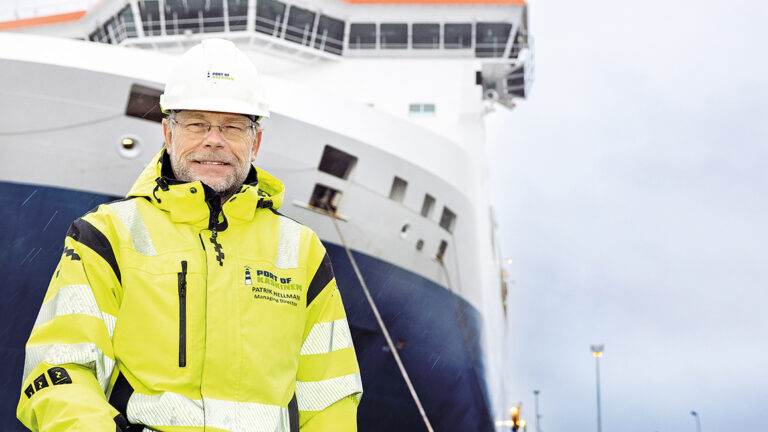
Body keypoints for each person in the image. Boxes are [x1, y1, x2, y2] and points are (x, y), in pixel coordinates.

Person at [16, 38, 362, 431]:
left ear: (256, 142)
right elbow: (59, 372)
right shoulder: (106, 236)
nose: (213, 140)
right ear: (168, 133)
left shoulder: (302, 252)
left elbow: (330, 399)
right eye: (196, 123)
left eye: (232, 126)